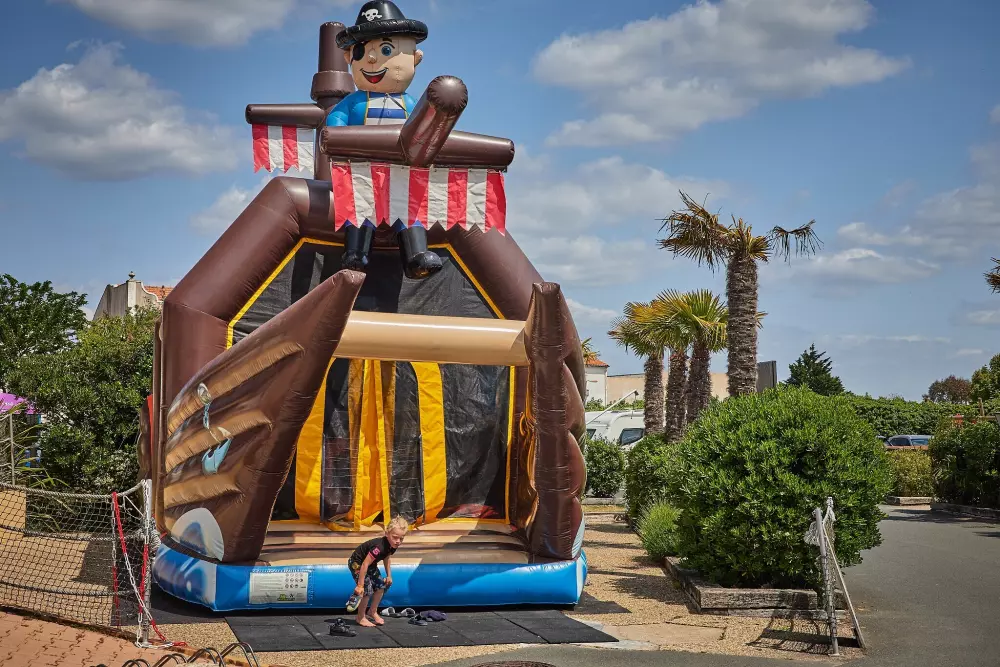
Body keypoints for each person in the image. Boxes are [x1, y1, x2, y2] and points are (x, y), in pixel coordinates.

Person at [326, 0, 443, 280]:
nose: (372, 59)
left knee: (409, 208)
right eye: (362, 51)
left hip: (401, 173)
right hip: (363, 173)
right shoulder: (354, 102)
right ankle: (356, 253)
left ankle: (415, 256)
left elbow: (426, 128)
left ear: (414, 58)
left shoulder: (411, 104)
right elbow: (336, 120)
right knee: (361, 208)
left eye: (386, 50)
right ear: (350, 58)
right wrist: (336, 137)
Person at [345, 516, 408, 626]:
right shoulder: (379, 547)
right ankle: (360, 617)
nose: (398, 541)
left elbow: (387, 558)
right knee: (366, 589)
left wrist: (389, 575)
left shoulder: (393, 545)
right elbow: (364, 564)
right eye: (395, 537)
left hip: (370, 565)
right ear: (387, 533)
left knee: (381, 586)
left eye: (401, 538)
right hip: (358, 564)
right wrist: (360, 585)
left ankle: (372, 611)